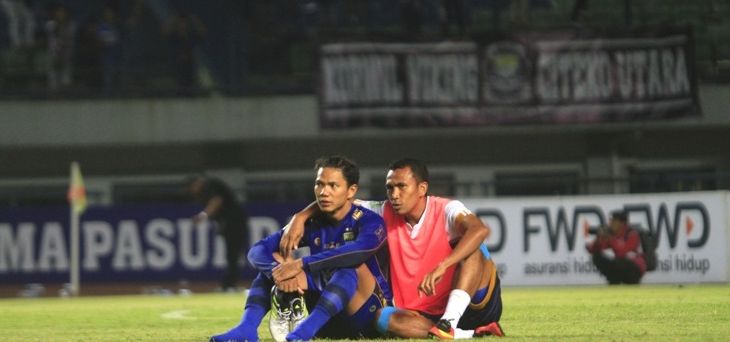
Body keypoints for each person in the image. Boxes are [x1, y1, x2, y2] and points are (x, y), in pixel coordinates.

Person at [281, 158, 504, 339]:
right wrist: (300, 217)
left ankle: (451, 322)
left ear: (422, 188)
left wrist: (443, 266)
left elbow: (479, 230)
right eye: (390, 188)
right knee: (382, 318)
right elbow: (339, 202)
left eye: (401, 187)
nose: (394, 194)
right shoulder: (382, 211)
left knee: (473, 246)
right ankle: (465, 334)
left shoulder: (447, 209)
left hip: (474, 304)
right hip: (423, 313)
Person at [210, 156, 392, 342]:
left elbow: (358, 251)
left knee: (349, 266)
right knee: (277, 265)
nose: (323, 192)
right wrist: (278, 274)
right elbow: (257, 250)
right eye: (319, 184)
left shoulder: (369, 221)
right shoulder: (310, 223)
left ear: (351, 190)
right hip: (327, 322)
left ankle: (302, 333)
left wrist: (301, 265)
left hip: (366, 316)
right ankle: (246, 330)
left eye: (332, 186)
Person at [187, 175, 248, 291]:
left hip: (235, 221)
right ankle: (230, 283)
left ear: (196, 183)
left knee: (233, 252)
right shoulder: (205, 190)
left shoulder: (209, 186)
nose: (192, 191)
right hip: (230, 222)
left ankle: (230, 283)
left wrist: (203, 215)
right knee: (232, 253)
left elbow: (217, 201)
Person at [586, 209, 646, 284]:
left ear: (622, 223)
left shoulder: (632, 234)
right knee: (597, 257)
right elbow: (593, 250)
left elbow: (622, 252)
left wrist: (610, 238)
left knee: (619, 260)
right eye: (610, 220)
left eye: (613, 221)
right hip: (620, 265)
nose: (610, 223)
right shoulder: (612, 234)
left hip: (635, 268)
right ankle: (614, 280)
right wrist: (598, 239)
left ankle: (630, 281)